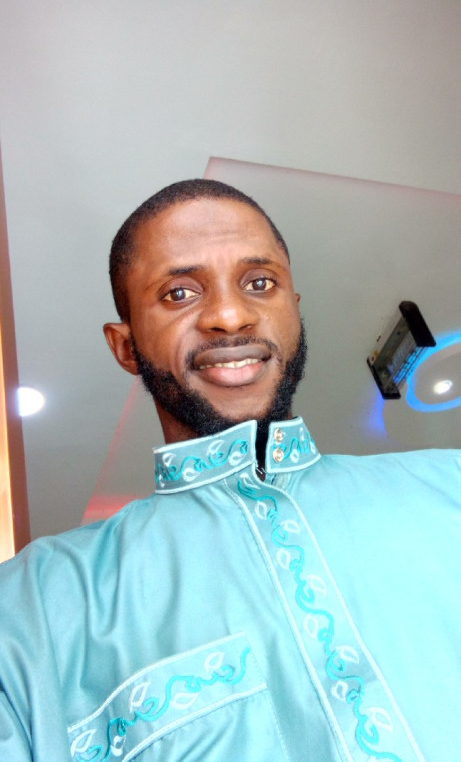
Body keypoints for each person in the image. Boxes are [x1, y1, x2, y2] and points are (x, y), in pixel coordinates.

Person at [0, 179, 459, 762]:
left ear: (294, 311)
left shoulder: (450, 485)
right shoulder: (30, 609)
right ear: (125, 346)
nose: (230, 315)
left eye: (259, 283)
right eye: (179, 293)